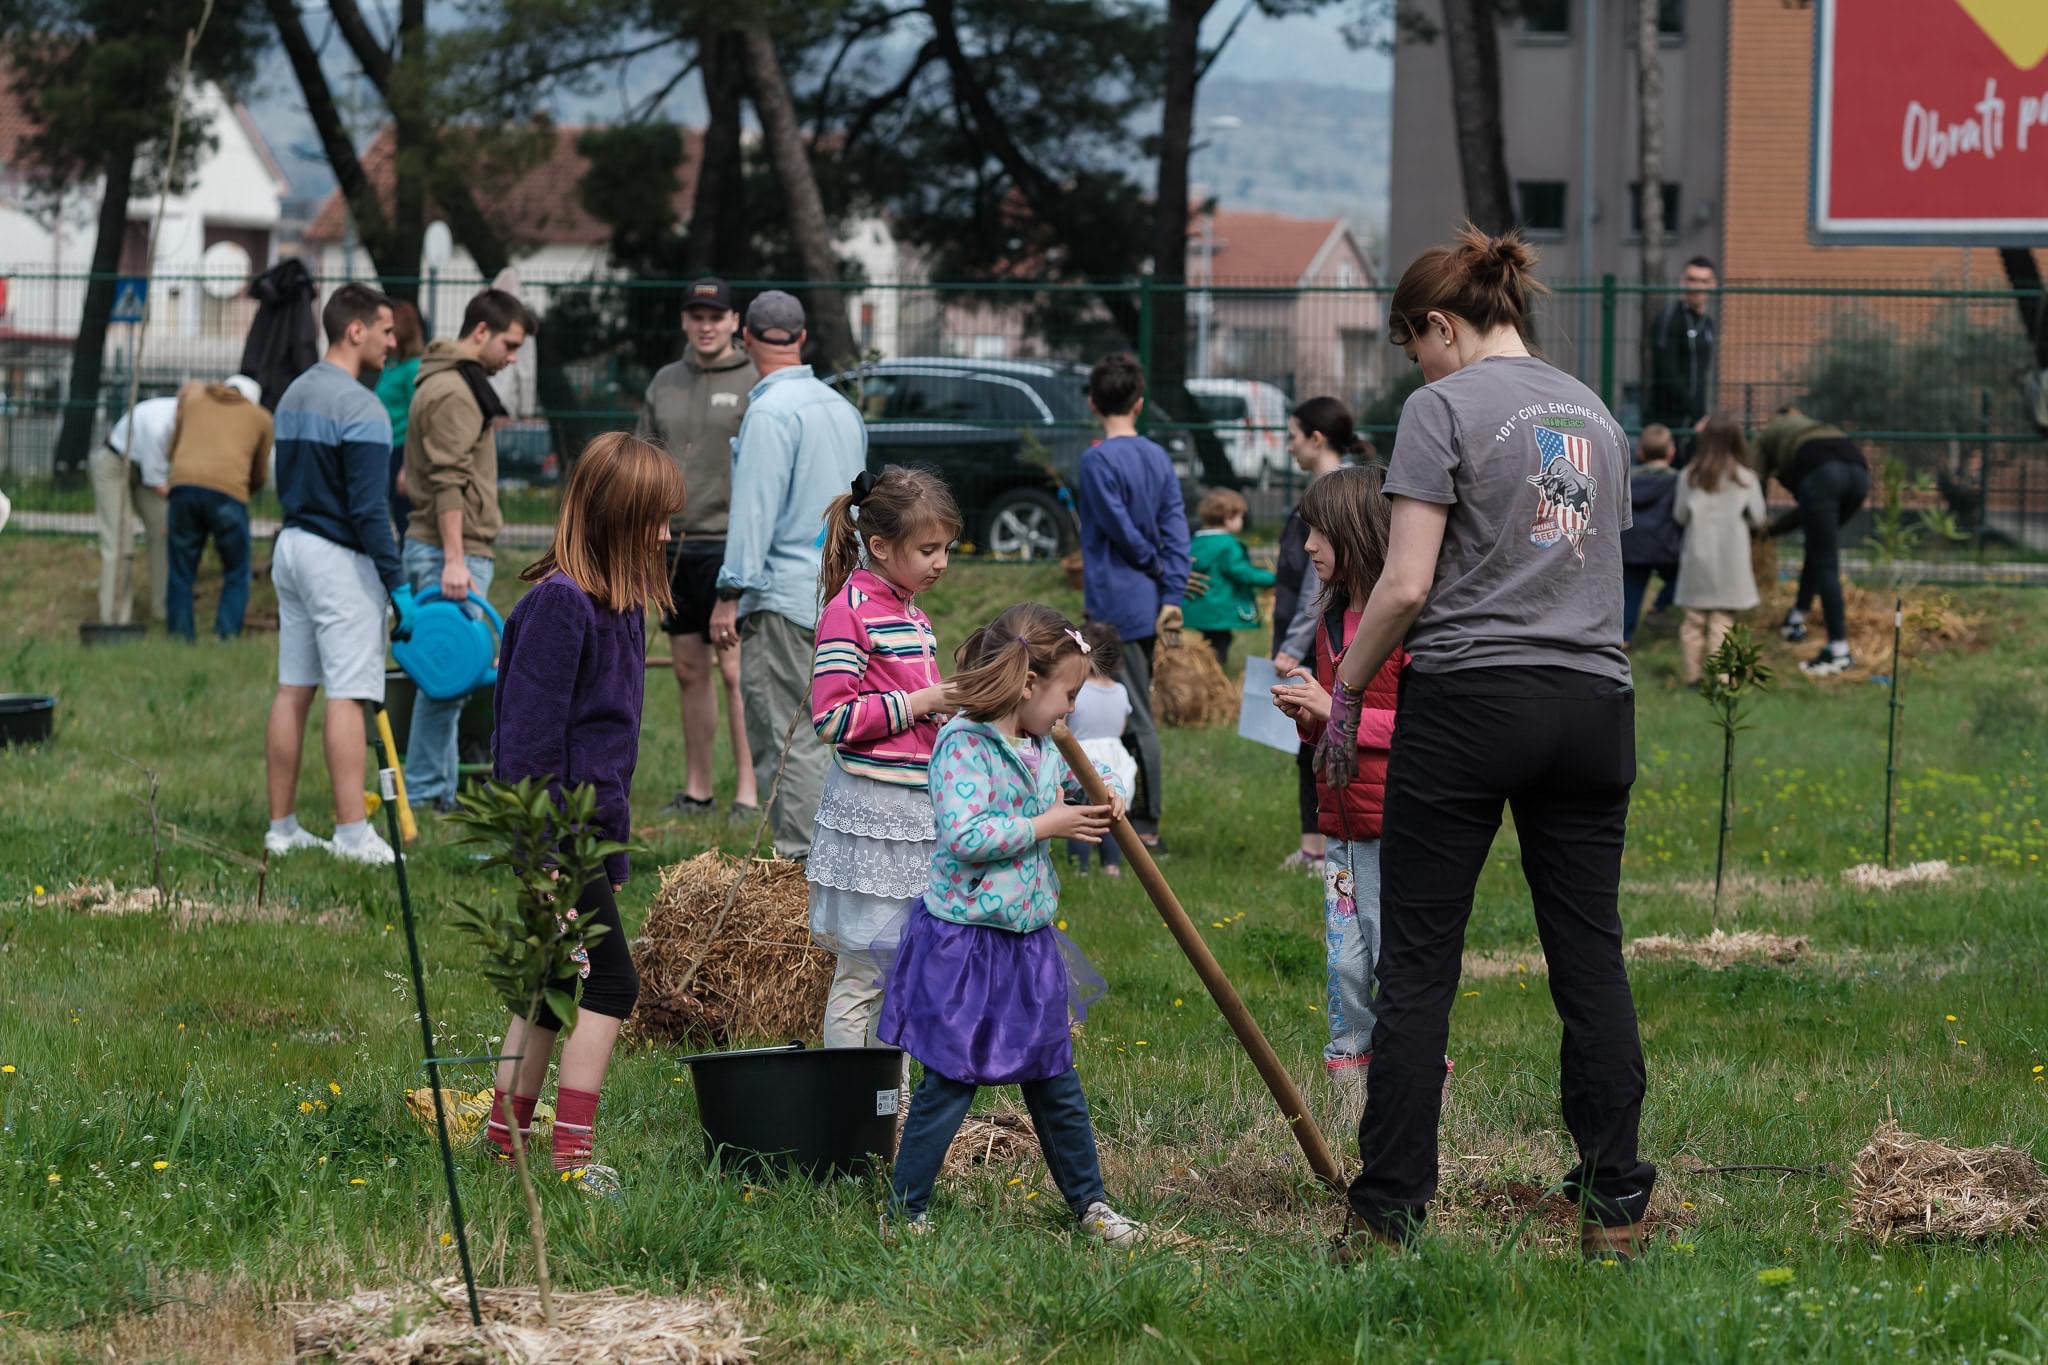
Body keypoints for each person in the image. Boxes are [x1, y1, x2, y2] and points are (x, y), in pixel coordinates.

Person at [1321, 226, 1653, 1262]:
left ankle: (1386, 1214)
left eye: (1411, 342)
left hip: (1470, 702)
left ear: (1439, 324)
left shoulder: (1441, 407)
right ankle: (1615, 1208)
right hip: (1594, 703)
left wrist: (1343, 690)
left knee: (1418, 966)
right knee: (1587, 958)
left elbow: (1407, 583)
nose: (1414, 363)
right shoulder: (1593, 412)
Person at [878, 603, 1142, 1243]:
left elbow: (1080, 781)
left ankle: (1091, 1205)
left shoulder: (1041, 742)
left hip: (1028, 941)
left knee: (1054, 1077)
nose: (1071, 710)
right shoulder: (963, 744)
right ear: (1028, 685)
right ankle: (904, 1210)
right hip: (965, 941)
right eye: (1068, 694)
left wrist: (1106, 786)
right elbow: (966, 835)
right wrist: (1047, 825)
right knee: (950, 1079)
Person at [484, 431, 685, 1199]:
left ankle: (505, 1141)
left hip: (590, 835)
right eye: (654, 519)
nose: (666, 534)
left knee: (548, 984)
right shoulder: (560, 606)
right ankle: (571, 1158)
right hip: (557, 838)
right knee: (610, 985)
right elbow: (525, 744)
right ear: (610, 517)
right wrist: (547, 854)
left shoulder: (621, 605)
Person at [1268, 465, 1420, 1132]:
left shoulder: (1412, 620)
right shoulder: (1331, 619)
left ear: (1355, 533)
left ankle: (1411, 1092)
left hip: (1398, 826)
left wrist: (1332, 706)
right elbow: (1337, 723)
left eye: (1318, 531)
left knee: (1396, 963)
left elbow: (1429, 728)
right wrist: (1309, 712)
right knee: (1344, 967)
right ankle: (1349, 1097)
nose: (1306, 546)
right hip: (1342, 828)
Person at [806, 466, 962, 1048]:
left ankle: (886, 1115)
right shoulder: (849, 612)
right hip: (874, 814)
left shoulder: (913, 614)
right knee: (865, 973)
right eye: (928, 549)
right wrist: (921, 701)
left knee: (903, 972)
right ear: (879, 546)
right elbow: (833, 718)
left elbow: (920, 713)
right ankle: (852, 1112)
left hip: (915, 814)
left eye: (947, 547)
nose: (941, 561)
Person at [709, 291, 868, 860]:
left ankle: (801, 868)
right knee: (833, 732)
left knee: (790, 737)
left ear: (744, 338)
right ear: (802, 340)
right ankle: (843, 858)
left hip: (780, 597)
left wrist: (730, 592)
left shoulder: (770, 413)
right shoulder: (842, 409)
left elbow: (755, 512)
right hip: (841, 595)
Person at [263, 283, 412, 867]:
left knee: (292, 689)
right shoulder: (362, 406)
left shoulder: (295, 393)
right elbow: (371, 508)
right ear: (356, 330)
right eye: (385, 329)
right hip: (338, 559)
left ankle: (283, 828)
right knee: (349, 695)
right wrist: (398, 582)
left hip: (291, 546)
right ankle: (352, 833)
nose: (392, 342)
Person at [400, 288, 534, 812]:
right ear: (481, 332)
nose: (513, 356)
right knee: (444, 680)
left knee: (450, 684)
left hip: (445, 546)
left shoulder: (447, 381)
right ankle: (426, 792)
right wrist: (454, 559)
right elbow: (449, 480)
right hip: (445, 552)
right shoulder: (455, 391)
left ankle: (438, 790)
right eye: (510, 343)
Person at [637, 277, 760, 818]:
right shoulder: (665, 380)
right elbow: (641, 457)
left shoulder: (756, 380)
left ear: (735, 322)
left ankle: (748, 795)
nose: (706, 325)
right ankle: (698, 790)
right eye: (696, 315)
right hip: (672, 544)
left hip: (729, 544)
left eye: (716, 316)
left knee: (735, 671)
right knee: (689, 669)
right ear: (685, 321)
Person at [1075, 352, 1190, 851]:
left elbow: (1122, 531)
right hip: (1146, 603)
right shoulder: (1158, 457)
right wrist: (1171, 589)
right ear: (1139, 404)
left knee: (1128, 712)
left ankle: (1142, 823)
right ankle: (1124, 815)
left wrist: (1157, 569)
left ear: (1092, 403)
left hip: (1112, 606)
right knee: (1130, 708)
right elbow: (1176, 527)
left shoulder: (1096, 460)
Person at [1273, 397, 1366, 875]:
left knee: (1323, 740)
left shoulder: (1335, 495)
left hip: (1315, 643)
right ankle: (1321, 846)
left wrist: (1291, 647)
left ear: (1316, 438)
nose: (1288, 446)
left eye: (1292, 435)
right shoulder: (1326, 490)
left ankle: (1320, 847)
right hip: (1311, 638)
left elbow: (1317, 584)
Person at [1756, 404, 1870, 677]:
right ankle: (1796, 618)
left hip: (1821, 474)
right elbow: (1804, 514)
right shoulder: (1814, 425)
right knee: (1819, 549)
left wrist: (1760, 527)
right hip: (1859, 474)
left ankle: (1838, 651)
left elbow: (1754, 478)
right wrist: (1776, 528)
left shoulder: (1769, 432)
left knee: (1827, 561)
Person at [163, 374, 272, 640]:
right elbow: (259, 473)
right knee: (236, 570)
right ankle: (226, 636)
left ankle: (180, 638)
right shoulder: (261, 418)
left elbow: (173, 449)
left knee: (181, 569)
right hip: (229, 494)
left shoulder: (194, 400)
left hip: (183, 487)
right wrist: (245, 487)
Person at [1672, 416, 1768, 685]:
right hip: (1731, 558)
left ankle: (1693, 677)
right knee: (1722, 621)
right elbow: (1759, 517)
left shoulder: (1689, 475)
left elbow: (1679, 515)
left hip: (1697, 557)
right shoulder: (1746, 478)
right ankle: (1723, 677)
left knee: (1693, 621)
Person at [93, 394, 178, 625]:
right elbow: (157, 482)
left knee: (164, 529)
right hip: (115, 463)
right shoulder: (158, 426)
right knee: (120, 541)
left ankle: (163, 612)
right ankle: (114, 619)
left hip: (145, 468)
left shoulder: (195, 419)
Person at [1064, 621, 1136, 880]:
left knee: (1080, 813)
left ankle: (1079, 866)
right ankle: (1112, 866)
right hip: (1115, 756)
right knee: (1112, 814)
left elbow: (1065, 726)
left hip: (1082, 754)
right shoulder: (1121, 691)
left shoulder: (1077, 693)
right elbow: (1123, 724)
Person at [1182, 487, 1275, 672]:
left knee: (1207, 642)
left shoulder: (1195, 542)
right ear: (1228, 518)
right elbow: (1242, 572)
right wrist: (1272, 578)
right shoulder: (1228, 545)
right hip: (1219, 610)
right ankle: (1214, 675)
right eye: (1240, 516)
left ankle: (1203, 672)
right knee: (1221, 643)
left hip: (1200, 608)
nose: (1242, 521)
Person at [1620, 423, 1682, 646]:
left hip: (1632, 544)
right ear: (1671, 452)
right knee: (1681, 578)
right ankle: (1660, 606)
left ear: (1640, 453)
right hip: (1665, 545)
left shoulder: (1626, 479)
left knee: (1631, 593)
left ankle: (1623, 636)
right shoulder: (1677, 481)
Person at [1646, 257, 1718, 439]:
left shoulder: (1708, 324)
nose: (1697, 286)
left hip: (1695, 421)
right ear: (1683, 282)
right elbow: (1666, 371)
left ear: (1713, 285)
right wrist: (1696, 413)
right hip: (1667, 420)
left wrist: (1701, 416)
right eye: (1692, 280)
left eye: (1703, 281)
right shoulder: (1669, 318)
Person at [375, 300, 425, 536]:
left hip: (402, 449)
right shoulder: (391, 365)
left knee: (403, 515)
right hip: (384, 446)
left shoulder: (413, 369)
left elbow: (418, 416)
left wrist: (407, 467)